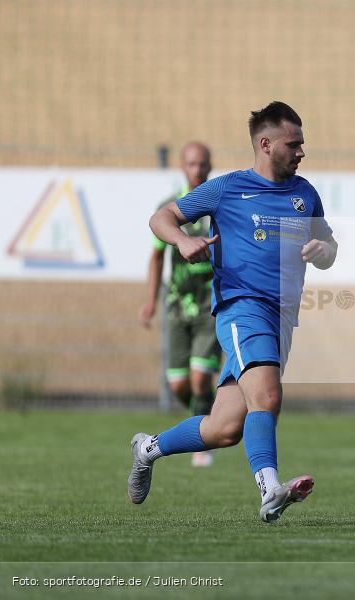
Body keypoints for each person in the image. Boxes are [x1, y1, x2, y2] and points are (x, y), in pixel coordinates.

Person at [127, 101, 338, 523]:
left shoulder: (305, 194)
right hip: (242, 308)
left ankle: (147, 449)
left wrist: (323, 251)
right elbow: (162, 217)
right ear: (265, 144)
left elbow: (329, 248)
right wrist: (182, 241)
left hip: (282, 318)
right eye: (293, 144)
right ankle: (269, 489)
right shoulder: (227, 189)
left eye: (302, 144)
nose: (301, 152)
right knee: (268, 396)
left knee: (224, 428)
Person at [139, 142, 220, 468]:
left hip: (210, 304)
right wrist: (150, 301)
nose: (197, 170)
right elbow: (157, 256)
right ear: (182, 168)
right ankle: (207, 421)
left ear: (210, 167)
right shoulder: (169, 210)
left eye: (202, 164)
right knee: (178, 385)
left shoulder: (218, 208)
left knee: (201, 378)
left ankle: (205, 439)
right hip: (177, 306)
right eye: (191, 164)